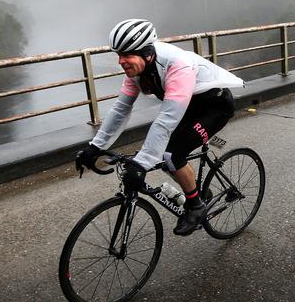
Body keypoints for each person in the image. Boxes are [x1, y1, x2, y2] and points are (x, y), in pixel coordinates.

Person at [77, 19, 244, 236]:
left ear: (147, 53)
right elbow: (121, 109)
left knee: (172, 155)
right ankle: (197, 190)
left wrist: (141, 165)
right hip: (188, 106)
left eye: (126, 55)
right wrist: (95, 147)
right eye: (118, 54)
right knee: (165, 157)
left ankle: (196, 206)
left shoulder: (177, 65)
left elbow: (167, 118)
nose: (120, 61)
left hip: (215, 107)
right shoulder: (138, 72)